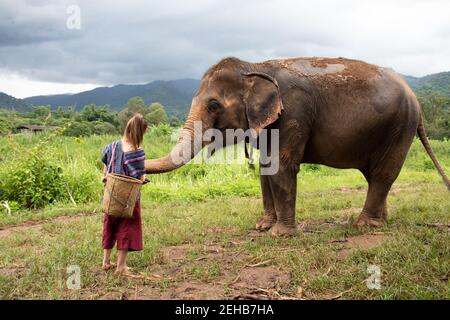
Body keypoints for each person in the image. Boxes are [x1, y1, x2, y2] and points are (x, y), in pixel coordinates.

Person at [101, 113, 148, 277]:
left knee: (110, 225)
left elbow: (105, 168)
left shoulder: (110, 146)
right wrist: (144, 179)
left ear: (127, 127)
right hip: (128, 199)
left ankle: (106, 262)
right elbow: (140, 177)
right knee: (127, 228)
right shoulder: (137, 152)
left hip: (110, 196)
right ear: (140, 132)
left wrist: (106, 178)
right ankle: (121, 267)